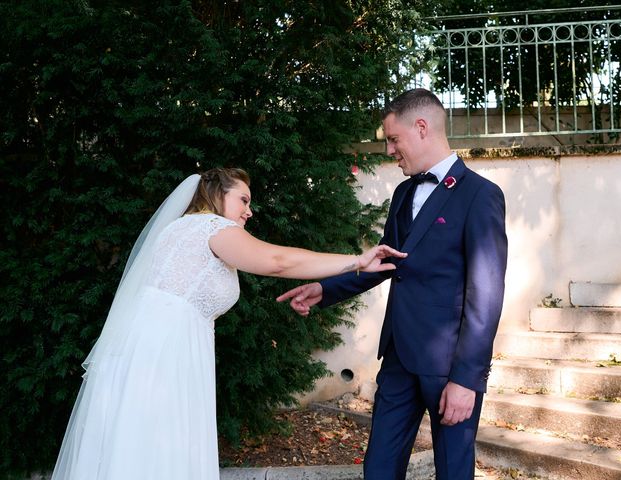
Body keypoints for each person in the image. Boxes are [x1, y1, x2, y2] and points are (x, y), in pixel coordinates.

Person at [51, 167, 407, 480]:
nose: (249, 212)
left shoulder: (177, 231)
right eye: (243, 200)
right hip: (166, 354)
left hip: (145, 349)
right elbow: (278, 261)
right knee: (161, 447)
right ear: (216, 195)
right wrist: (358, 261)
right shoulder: (212, 226)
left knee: (133, 447)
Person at [277, 88, 508, 480]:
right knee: (379, 468)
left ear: (421, 128)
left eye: (393, 139)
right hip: (399, 358)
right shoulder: (403, 193)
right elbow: (387, 264)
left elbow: (485, 294)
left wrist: (466, 379)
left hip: (448, 365)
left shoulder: (481, 195)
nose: (388, 150)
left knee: (453, 471)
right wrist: (325, 289)